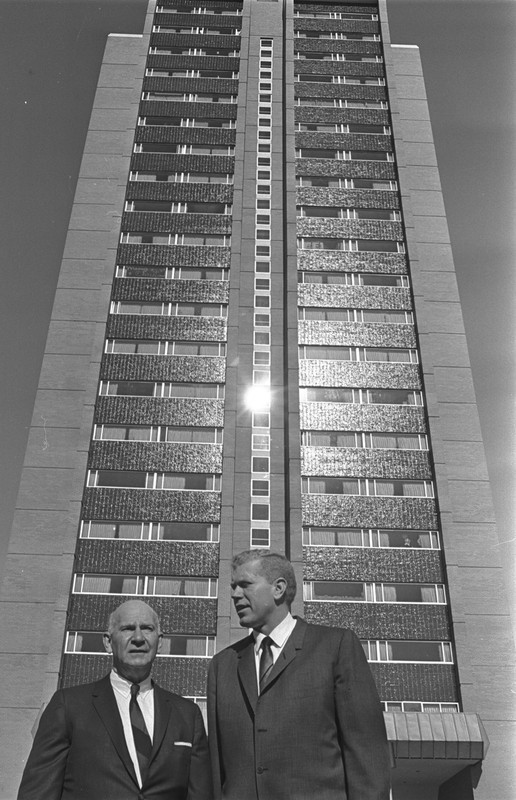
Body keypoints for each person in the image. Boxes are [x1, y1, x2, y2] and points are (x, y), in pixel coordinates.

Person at [207, 550, 391, 800]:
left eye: (245, 585)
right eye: (233, 587)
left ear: (278, 588)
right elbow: (218, 768)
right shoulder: (223, 665)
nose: (235, 594)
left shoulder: (335, 647)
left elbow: (366, 752)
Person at [18, 599, 212, 800]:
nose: (138, 637)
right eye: (128, 629)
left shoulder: (188, 715)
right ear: (108, 642)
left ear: (160, 642)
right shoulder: (68, 706)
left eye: (147, 628)